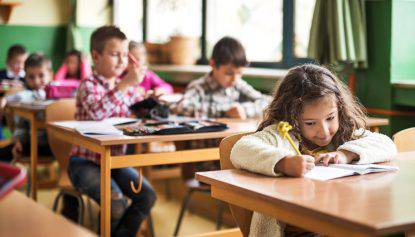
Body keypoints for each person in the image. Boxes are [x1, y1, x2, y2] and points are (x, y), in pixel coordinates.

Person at [230, 64, 397, 237]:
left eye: (330, 118)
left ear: (340, 109)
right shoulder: (282, 134)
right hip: (294, 231)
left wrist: (345, 154)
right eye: (310, 123)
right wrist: (283, 162)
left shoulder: (344, 135)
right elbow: (240, 150)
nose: (324, 131)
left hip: (340, 224)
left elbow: (386, 144)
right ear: (292, 117)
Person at [66, 25, 156, 237]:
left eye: (125, 55)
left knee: (147, 195)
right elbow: (98, 114)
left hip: (114, 161)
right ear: (95, 56)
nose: (122, 61)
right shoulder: (88, 85)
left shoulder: (127, 89)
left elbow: (139, 113)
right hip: (83, 163)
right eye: (115, 54)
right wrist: (125, 84)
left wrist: (151, 102)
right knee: (115, 202)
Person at [174, 36, 270, 119]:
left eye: (239, 73)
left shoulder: (238, 84)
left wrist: (243, 110)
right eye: (228, 73)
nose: (234, 79)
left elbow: (268, 102)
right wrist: (225, 111)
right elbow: (182, 107)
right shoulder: (198, 87)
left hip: (231, 139)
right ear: (213, 64)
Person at [1, 53, 53, 160]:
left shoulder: (59, 95)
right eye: (31, 77)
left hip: (57, 146)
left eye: (41, 75)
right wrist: (18, 140)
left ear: (50, 75)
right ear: (25, 77)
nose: (37, 81)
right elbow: (20, 125)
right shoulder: (24, 96)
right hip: (32, 145)